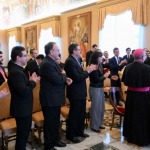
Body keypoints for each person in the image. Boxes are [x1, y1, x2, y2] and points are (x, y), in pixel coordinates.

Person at [40, 42, 72, 150]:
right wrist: (63, 76)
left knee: (55, 122)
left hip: (55, 98)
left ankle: (54, 140)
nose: (59, 52)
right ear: (51, 52)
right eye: (57, 50)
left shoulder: (52, 62)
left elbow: (60, 75)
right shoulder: (46, 64)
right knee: (50, 123)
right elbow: (58, 79)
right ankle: (48, 145)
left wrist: (64, 78)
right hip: (49, 98)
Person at [64, 43, 97, 143]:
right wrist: (88, 71)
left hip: (80, 91)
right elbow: (77, 78)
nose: (80, 51)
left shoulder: (77, 60)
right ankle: (71, 134)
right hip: (75, 92)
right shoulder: (69, 61)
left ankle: (79, 131)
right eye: (79, 49)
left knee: (81, 113)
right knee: (75, 114)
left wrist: (86, 71)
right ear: (74, 51)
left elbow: (80, 74)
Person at [8, 46, 37, 150]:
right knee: (22, 135)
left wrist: (29, 81)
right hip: (21, 109)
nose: (27, 58)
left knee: (24, 134)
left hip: (24, 108)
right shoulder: (16, 72)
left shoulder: (19, 69)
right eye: (25, 55)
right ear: (18, 58)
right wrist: (33, 82)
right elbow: (24, 91)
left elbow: (24, 86)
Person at [122, 49, 150, 146]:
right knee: (142, 117)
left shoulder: (128, 67)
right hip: (143, 97)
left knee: (131, 115)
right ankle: (142, 138)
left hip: (131, 96)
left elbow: (125, 82)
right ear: (143, 57)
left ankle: (130, 135)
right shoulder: (147, 68)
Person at [89, 51, 118, 133]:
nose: (102, 58)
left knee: (101, 107)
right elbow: (96, 79)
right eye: (100, 57)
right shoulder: (93, 66)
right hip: (94, 88)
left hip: (100, 88)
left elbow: (103, 75)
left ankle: (99, 124)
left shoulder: (100, 65)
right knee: (96, 108)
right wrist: (104, 76)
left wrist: (111, 77)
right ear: (96, 58)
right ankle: (94, 126)